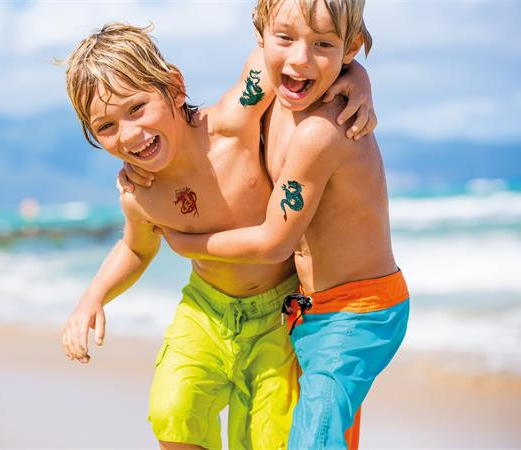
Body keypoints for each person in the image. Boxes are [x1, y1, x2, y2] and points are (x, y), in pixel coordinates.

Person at [61, 22, 374, 450]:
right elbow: (135, 248)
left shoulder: (234, 120)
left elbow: (286, 60)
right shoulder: (140, 195)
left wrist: (358, 76)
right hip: (205, 311)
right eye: (106, 127)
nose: (129, 134)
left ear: (175, 87)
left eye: (137, 108)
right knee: (173, 411)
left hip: (279, 314)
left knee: (267, 438)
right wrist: (91, 299)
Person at [156, 1, 410, 448]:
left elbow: (275, 242)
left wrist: (186, 243)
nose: (300, 58)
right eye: (286, 38)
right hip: (308, 310)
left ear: (350, 48)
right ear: (260, 33)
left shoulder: (320, 132)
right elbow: (215, 122)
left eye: (323, 45)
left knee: (314, 439)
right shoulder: (269, 79)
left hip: (359, 311)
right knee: (323, 434)